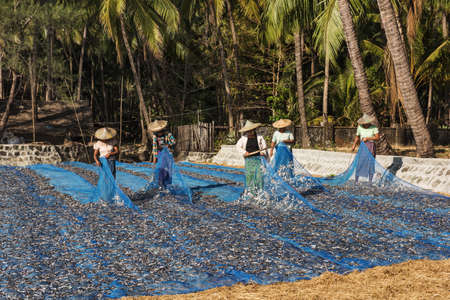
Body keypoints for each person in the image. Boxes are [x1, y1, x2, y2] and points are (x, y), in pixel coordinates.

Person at [236, 120, 267, 191]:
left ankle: (260, 190)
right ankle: (251, 191)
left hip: (258, 159)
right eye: (248, 131)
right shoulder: (243, 138)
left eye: (251, 131)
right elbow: (238, 146)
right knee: (250, 176)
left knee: (259, 176)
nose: (250, 132)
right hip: (249, 160)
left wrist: (263, 152)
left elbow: (264, 146)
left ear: (254, 130)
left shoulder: (260, 137)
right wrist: (244, 152)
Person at [351, 114, 380, 183]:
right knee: (360, 163)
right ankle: (356, 181)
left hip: (370, 146)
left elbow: (377, 137)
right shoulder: (360, 127)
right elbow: (357, 137)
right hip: (362, 146)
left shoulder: (374, 127)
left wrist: (368, 138)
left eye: (366, 123)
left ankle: (370, 181)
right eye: (364, 123)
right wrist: (354, 145)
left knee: (370, 163)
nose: (365, 124)